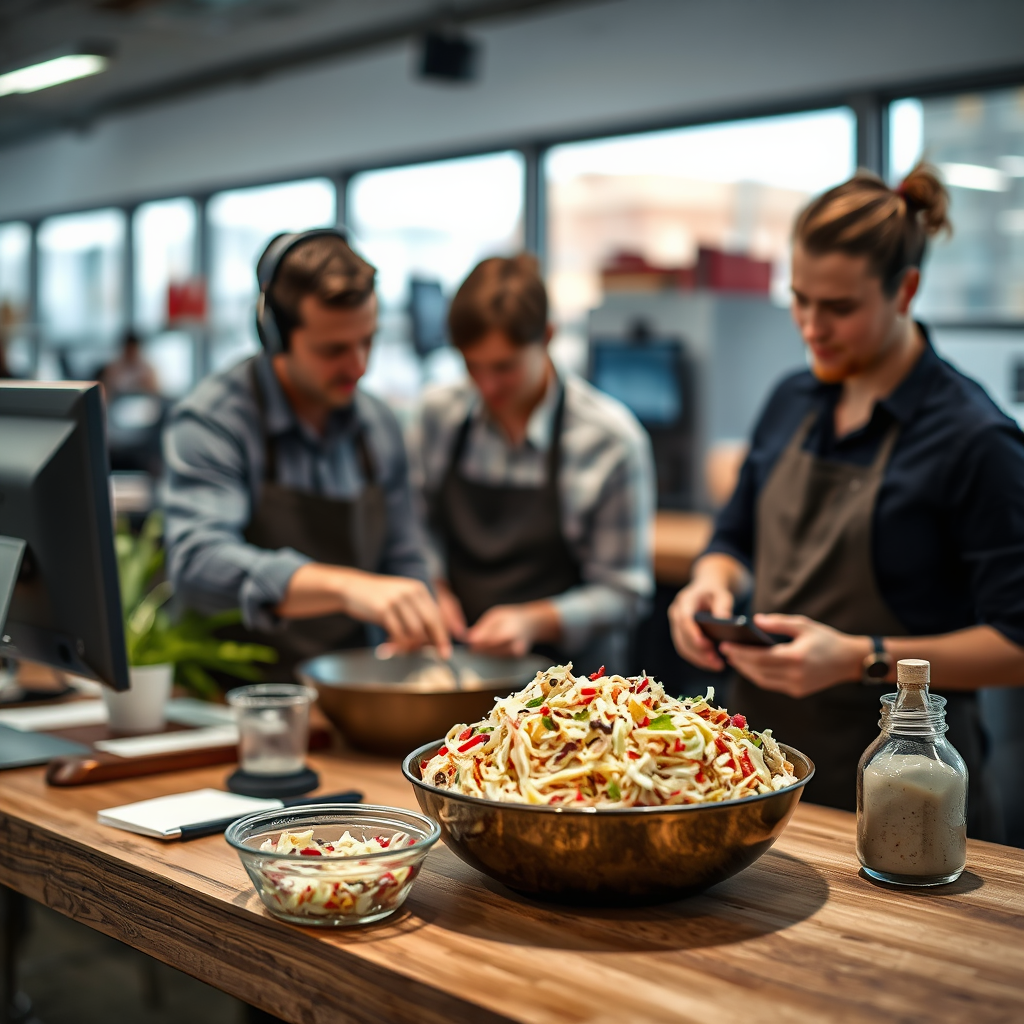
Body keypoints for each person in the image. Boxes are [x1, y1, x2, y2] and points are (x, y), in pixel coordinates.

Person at [668, 165, 1024, 835]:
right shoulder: (792, 400)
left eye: (839, 308)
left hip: (907, 788)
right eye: (800, 300)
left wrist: (862, 658)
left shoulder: (975, 439)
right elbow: (733, 539)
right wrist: (707, 588)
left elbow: (1017, 642)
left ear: (906, 290)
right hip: (762, 773)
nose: (811, 327)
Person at [163, 230, 449, 681]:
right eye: (333, 350)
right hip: (233, 697)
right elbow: (197, 563)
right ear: (274, 336)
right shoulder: (214, 420)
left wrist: (417, 616)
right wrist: (346, 586)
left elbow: (404, 558)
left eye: (368, 341)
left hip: (346, 693)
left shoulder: (378, 425)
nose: (358, 366)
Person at [409, 254, 655, 672]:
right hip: (461, 669)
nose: (486, 385)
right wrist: (434, 587)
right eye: (472, 366)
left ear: (547, 336)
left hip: (574, 694)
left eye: (504, 367)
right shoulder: (438, 416)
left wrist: (534, 622)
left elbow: (624, 593)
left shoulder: (609, 440)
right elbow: (415, 526)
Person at [100, 330, 159, 396]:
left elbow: (155, 393)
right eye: (129, 350)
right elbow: (107, 391)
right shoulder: (113, 368)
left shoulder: (147, 370)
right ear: (124, 349)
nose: (131, 353)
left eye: (133, 350)